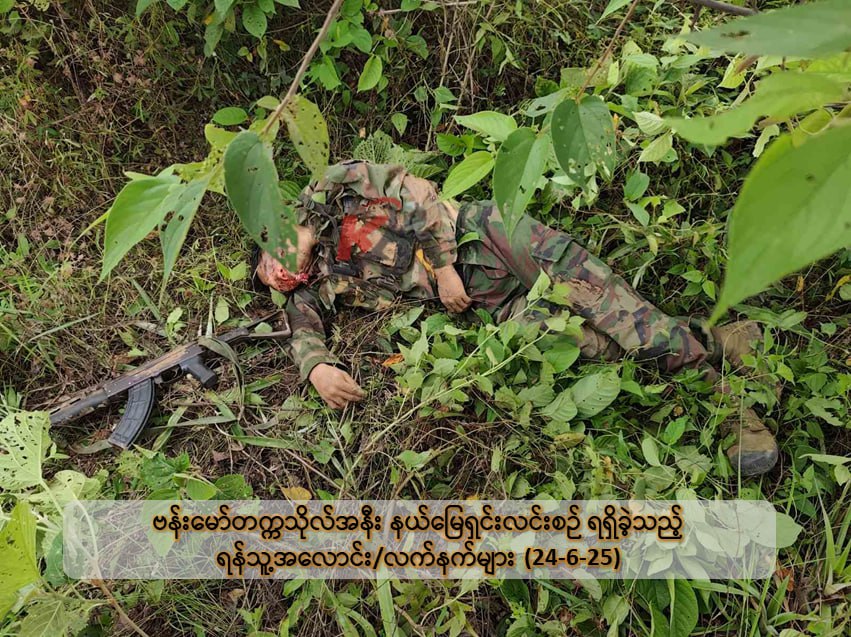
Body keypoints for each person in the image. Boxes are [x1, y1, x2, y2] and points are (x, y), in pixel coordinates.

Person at [252, 160, 778, 476]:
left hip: (492, 238)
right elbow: (304, 329)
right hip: (487, 303)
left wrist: (443, 265)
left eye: (273, 261)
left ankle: (735, 414)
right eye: (274, 281)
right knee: (594, 346)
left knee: (615, 312)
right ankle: (720, 339)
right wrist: (316, 369)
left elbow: (417, 193)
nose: (280, 276)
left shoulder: (332, 188)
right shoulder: (318, 282)